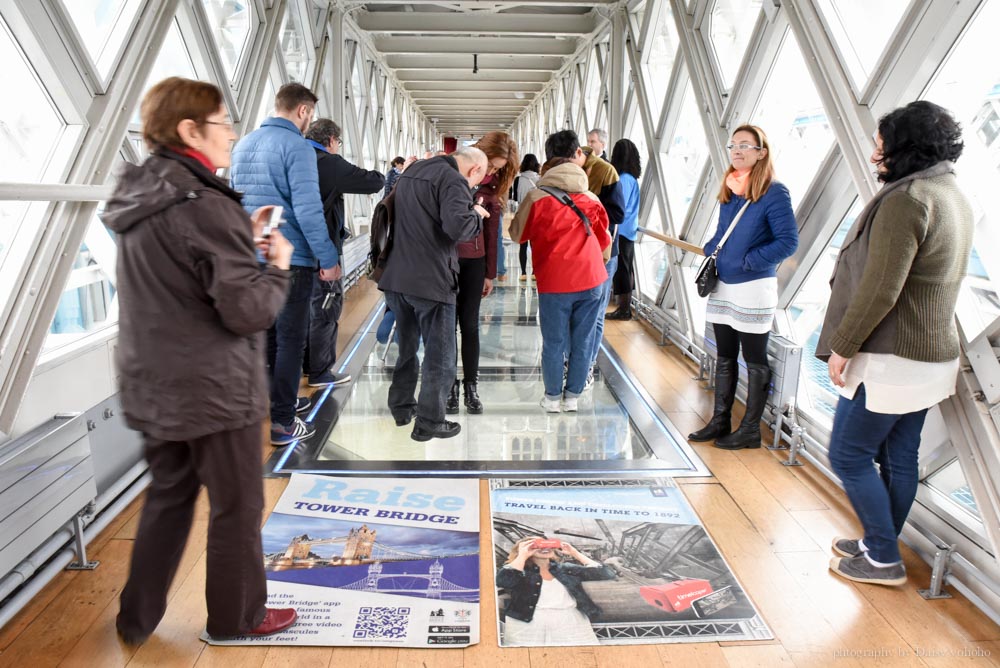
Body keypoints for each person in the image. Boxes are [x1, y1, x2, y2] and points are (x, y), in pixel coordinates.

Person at [102, 77, 297, 643]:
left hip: (153, 382)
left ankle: (135, 619)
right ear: (190, 130)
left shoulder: (138, 198)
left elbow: (179, 278)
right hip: (215, 390)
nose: (232, 136)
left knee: (169, 497)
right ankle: (240, 618)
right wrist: (275, 264)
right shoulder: (207, 205)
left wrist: (241, 243)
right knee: (236, 507)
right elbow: (247, 312)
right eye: (224, 125)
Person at [816, 101, 973, 587]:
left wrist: (843, 344)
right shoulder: (950, 192)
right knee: (899, 456)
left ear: (905, 148)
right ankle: (879, 540)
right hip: (930, 356)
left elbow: (881, 287)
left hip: (891, 355)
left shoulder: (908, 200)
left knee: (847, 454)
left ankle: (883, 556)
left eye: (880, 146)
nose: (873, 156)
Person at [231, 83, 340, 446]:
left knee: (268, 337)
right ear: (304, 111)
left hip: (252, 256)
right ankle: (282, 423)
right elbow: (308, 211)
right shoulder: (297, 146)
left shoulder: (243, 144)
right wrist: (327, 257)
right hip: (292, 259)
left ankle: (281, 403)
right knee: (291, 339)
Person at [688, 124, 798, 450]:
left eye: (745, 146)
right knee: (724, 354)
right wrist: (712, 248)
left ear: (761, 152)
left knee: (753, 357)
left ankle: (750, 429)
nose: (737, 151)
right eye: (733, 145)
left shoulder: (774, 192)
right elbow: (723, 232)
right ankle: (720, 419)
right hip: (724, 284)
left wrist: (749, 261)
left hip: (753, 286)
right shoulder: (731, 187)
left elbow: (788, 242)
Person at [378, 147, 489, 441]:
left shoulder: (414, 170)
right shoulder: (452, 180)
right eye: (476, 181)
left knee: (407, 347)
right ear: (474, 170)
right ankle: (430, 420)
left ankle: (401, 406)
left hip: (397, 277)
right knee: (441, 355)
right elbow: (459, 228)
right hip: (431, 280)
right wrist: (476, 214)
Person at [509, 132, 611, 413]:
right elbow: (604, 242)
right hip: (591, 279)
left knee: (554, 341)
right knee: (583, 340)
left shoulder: (536, 197)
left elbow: (518, 235)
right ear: (577, 153)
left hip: (554, 281)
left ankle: (553, 397)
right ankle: (573, 397)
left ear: (548, 157)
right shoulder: (591, 197)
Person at [303, 118, 383, 386]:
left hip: (292, 250)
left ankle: (303, 365)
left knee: (301, 309)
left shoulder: (294, 155)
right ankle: (320, 372)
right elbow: (372, 182)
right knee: (326, 307)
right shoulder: (328, 162)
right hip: (322, 249)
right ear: (332, 140)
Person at [448, 132, 519, 415]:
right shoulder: (453, 176)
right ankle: (450, 386)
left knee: (470, 325)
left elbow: (493, 233)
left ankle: (471, 386)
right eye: (492, 165)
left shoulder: (491, 191)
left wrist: (490, 273)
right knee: (446, 327)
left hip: (474, 263)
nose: (492, 171)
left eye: (498, 169)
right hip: (447, 261)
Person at [496, 537, 617, 646]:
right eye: (537, 545)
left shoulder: (566, 569)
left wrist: (575, 553)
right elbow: (503, 581)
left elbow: (606, 574)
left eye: (547, 544)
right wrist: (522, 556)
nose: (544, 548)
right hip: (528, 626)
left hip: (570, 623)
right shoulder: (518, 571)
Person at [579, 141, 626, 387]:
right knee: (583, 313)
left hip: (604, 251)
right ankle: (579, 362)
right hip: (578, 252)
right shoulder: (563, 170)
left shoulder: (605, 171)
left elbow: (618, 214)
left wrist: (589, 203)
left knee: (596, 313)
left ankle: (586, 365)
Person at [607, 139, 641, 320]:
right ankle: (624, 307)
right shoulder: (631, 178)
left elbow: (621, 205)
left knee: (623, 270)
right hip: (629, 230)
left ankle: (624, 309)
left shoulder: (625, 180)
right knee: (626, 269)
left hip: (622, 231)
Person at [515, 154, 541, 281]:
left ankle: (523, 273)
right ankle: (535, 272)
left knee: (523, 245)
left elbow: (514, 198)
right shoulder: (540, 180)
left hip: (522, 214)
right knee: (536, 246)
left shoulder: (517, 180)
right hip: (537, 215)